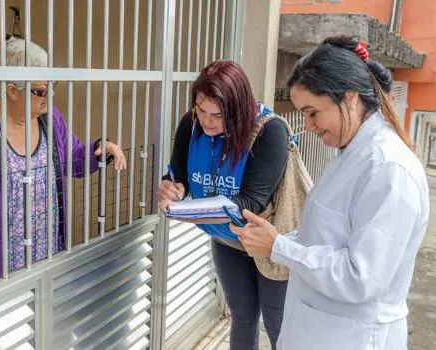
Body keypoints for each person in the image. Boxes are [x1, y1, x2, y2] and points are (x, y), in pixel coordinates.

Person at [231, 36, 430, 350]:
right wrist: (279, 238)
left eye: (312, 112)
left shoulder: (388, 169)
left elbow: (361, 277)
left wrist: (281, 247)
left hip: (353, 337)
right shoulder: (350, 154)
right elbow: (328, 236)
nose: (308, 125)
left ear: (349, 99)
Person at [0, 37, 126, 300]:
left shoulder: (50, 118)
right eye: (40, 91)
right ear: (13, 90)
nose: (50, 96)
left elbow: (72, 158)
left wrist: (99, 151)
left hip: (46, 256)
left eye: (52, 86)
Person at [158, 60, 289, 350]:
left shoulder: (271, 131)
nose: (207, 121)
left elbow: (250, 204)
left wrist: (190, 213)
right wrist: (171, 188)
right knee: (242, 317)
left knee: (278, 324)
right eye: (201, 110)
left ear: (239, 109)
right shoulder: (191, 124)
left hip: (270, 242)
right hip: (227, 241)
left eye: (217, 115)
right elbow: (179, 177)